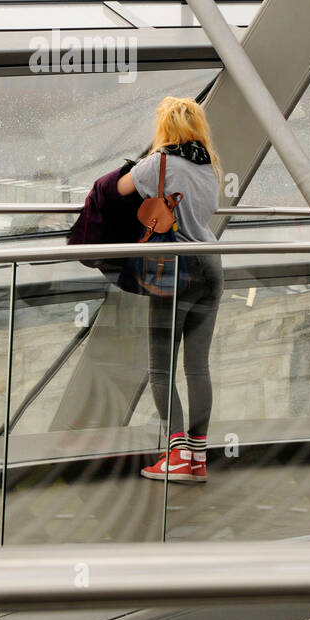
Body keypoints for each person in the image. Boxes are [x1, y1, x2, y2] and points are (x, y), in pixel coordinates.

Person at [117, 97, 224, 485]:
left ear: (165, 128)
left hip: (173, 269)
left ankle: (176, 455)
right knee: (198, 365)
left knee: (160, 368)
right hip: (211, 263)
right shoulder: (209, 167)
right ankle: (197, 458)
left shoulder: (158, 164)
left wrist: (151, 153)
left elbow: (119, 186)